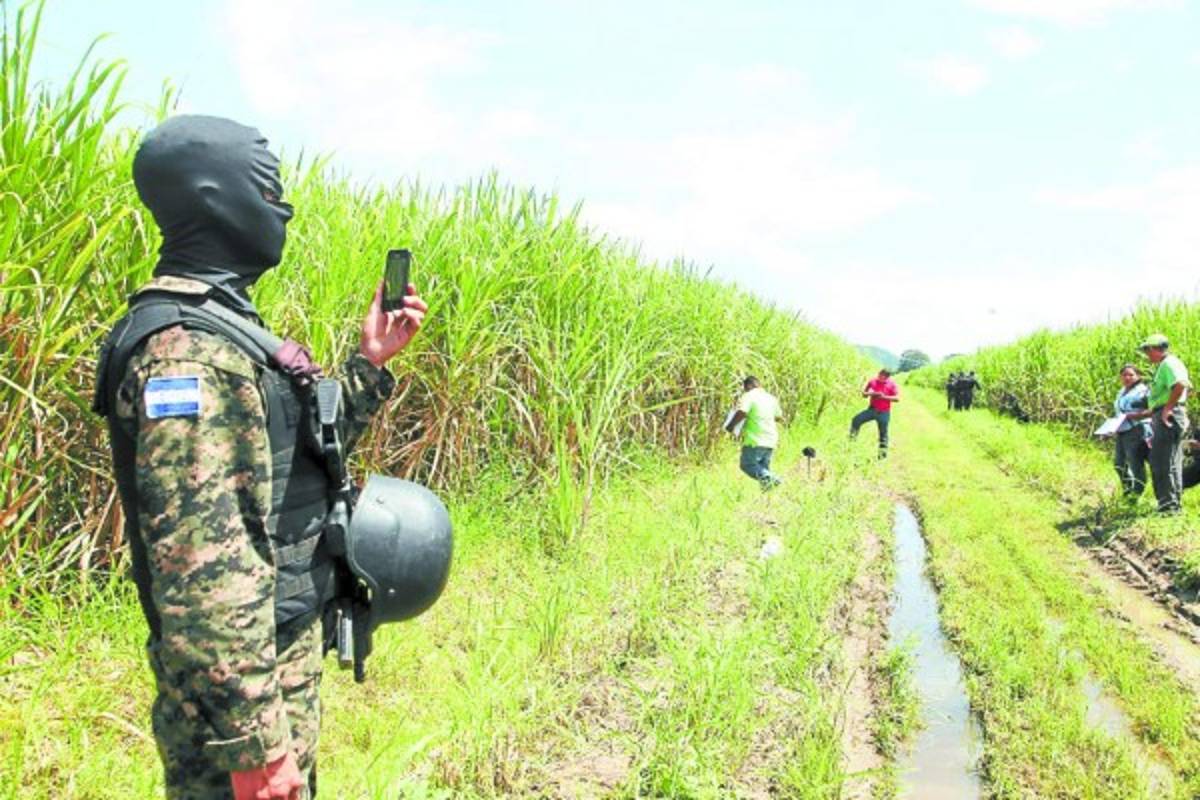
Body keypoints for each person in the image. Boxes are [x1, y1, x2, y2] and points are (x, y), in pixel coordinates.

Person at [91, 116, 428, 799]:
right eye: (270, 191)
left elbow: (289, 473)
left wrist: (369, 365)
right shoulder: (188, 355)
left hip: (269, 675)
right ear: (216, 199)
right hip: (237, 712)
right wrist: (256, 750)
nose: (285, 209)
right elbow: (207, 573)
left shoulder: (223, 330)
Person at [1132, 334, 1191, 514]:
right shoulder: (1163, 366)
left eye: (1147, 351)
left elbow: (1181, 384)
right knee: (1167, 460)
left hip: (1169, 416)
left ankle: (1169, 507)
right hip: (1164, 414)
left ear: (1155, 349)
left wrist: (1167, 409)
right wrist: (1152, 411)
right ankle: (1169, 505)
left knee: (1163, 462)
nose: (1146, 355)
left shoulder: (1169, 363)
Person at [726, 376, 783, 490]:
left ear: (748, 386)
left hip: (755, 439)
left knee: (747, 465)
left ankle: (775, 479)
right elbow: (778, 417)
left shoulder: (749, 395)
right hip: (771, 440)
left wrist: (731, 426)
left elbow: (742, 412)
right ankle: (767, 500)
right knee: (763, 472)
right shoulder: (771, 398)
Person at [1111, 363, 1151, 497]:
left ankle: (1137, 492)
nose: (1127, 377)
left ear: (1138, 376)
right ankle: (1128, 489)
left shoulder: (1143, 391)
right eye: (1124, 375)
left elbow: (1151, 410)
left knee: (1135, 462)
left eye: (1131, 375)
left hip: (1137, 429)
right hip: (1122, 430)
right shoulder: (1121, 391)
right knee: (1118, 463)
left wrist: (1136, 416)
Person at [850, 368, 899, 457]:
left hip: (884, 413)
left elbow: (897, 398)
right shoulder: (872, 381)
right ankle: (851, 444)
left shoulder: (892, 385)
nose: (880, 377)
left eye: (883, 376)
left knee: (883, 435)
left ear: (887, 377)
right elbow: (864, 394)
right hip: (872, 410)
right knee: (856, 420)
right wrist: (869, 394)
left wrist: (883, 397)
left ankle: (882, 456)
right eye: (879, 375)